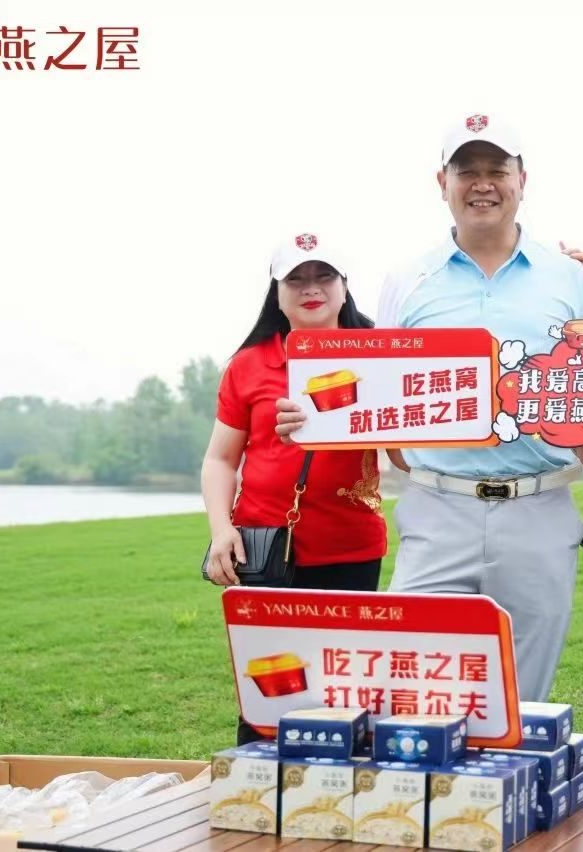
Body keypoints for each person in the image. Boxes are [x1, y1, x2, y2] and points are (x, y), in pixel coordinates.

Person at [276, 114, 583, 702]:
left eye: (497, 170)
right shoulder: (407, 278)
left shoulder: (570, 277)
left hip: (539, 507)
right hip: (438, 510)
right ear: (442, 182)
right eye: (467, 170)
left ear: (522, 181)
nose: (482, 183)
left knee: (522, 702)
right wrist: (312, 419)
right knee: (415, 693)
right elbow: (376, 391)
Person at [201, 232, 388, 742]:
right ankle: (257, 780)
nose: (311, 288)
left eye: (324, 276)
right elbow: (220, 459)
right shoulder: (249, 365)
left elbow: (407, 450)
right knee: (269, 683)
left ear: (345, 288)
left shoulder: (379, 357)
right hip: (264, 548)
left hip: (351, 547)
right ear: (277, 294)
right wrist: (221, 531)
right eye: (295, 279)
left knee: (345, 687)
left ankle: (339, 779)